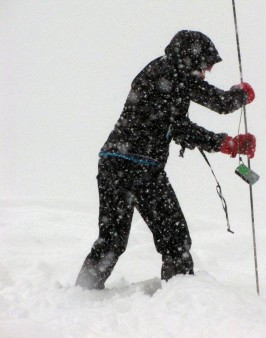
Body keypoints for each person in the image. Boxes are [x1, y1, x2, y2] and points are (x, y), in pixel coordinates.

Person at [75, 30, 256, 290]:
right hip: (132, 166)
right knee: (159, 241)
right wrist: (236, 108)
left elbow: (192, 118)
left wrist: (229, 129)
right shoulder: (170, 74)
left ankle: (85, 294)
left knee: (134, 241)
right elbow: (206, 111)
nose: (205, 73)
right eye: (205, 66)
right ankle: (179, 299)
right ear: (190, 59)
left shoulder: (167, 74)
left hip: (127, 164)